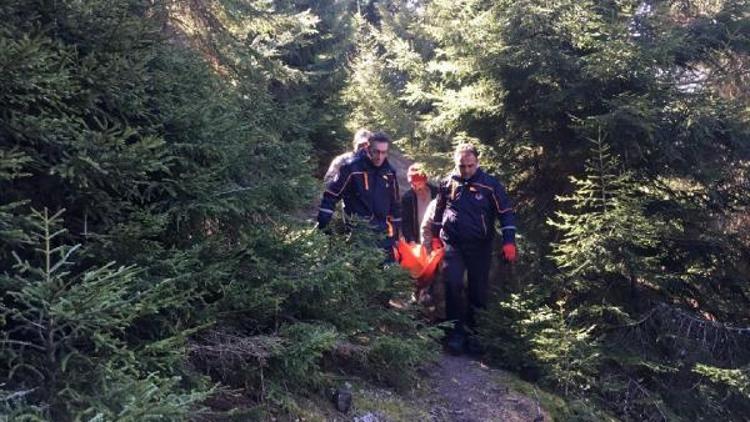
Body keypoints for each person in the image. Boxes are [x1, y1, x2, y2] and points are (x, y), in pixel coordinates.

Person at [431, 143, 517, 354]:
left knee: (478, 291)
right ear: (456, 163)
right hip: (453, 243)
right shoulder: (447, 183)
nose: (466, 170)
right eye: (462, 166)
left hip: (480, 246)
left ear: (477, 163)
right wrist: (434, 237)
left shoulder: (490, 185)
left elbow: (505, 213)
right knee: (453, 284)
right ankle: (455, 333)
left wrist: (509, 241)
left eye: (470, 165)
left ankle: (475, 335)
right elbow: (439, 211)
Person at [317, 131, 402, 259]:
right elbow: (331, 193)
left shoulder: (389, 172)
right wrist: (324, 220)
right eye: (376, 151)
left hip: (383, 233)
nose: (380, 156)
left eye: (384, 152)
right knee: (358, 269)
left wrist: (397, 231)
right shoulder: (351, 167)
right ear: (368, 148)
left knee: (387, 270)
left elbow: (395, 203)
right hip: (358, 231)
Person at [400, 163, 438, 244]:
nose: (415, 186)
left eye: (418, 183)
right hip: (417, 240)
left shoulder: (436, 193)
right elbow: (406, 222)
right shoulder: (407, 198)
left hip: (435, 239)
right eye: (412, 183)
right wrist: (410, 239)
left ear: (424, 180)